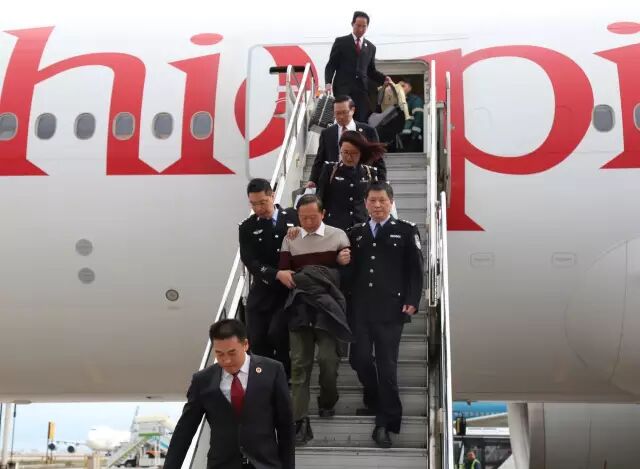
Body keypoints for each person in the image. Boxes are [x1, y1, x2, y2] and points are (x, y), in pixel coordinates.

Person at [346, 181, 424, 449]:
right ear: (365, 203)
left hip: (391, 310)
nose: (377, 205)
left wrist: (413, 300)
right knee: (358, 359)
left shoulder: (405, 230)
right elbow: (350, 273)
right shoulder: (355, 233)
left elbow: (416, 269)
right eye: (372, 200)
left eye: (382, 200)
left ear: (391, 202)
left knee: (387, 367)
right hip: (360, 309)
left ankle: (385, 424)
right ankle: (375, 396)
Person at [163, 319, 294, 469]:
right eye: (219, 354)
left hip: (265, 464)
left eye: (232, 353)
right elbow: (185, 430)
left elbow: (285, 426)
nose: (226, 360)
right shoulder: (203, 380)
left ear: (245, 345)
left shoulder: (272, 370)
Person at [277, 195, 352, 446]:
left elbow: (346, 274)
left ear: (323, 213)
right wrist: (287, 274)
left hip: (328, 309)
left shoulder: (338, 235)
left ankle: (327, 399)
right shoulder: (291, 238)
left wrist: (339, 264)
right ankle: (299, 420)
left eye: (312, 217)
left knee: (329, 360)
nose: (308, 222)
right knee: (300, 365)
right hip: (300, 307)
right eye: (303, 218)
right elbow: (285, 271)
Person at [238, 178, 299, 377]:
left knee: (277, 333)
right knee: (256, 338)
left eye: (263, 202)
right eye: (254, 204)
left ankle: (283, 377)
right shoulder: (247, 227)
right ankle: (264, 379)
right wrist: (276, 274)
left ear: (272, 196)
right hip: (263, 288)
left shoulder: (293, 216)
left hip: (288, 291)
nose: (259, 209)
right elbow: (250, 260)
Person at [325, 11, 391, 122]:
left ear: (367, 27)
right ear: (352, 24)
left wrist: (384, 78)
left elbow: (371, 71)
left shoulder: (371, 47)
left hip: (362, 91)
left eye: (364, 26)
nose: (360, 29)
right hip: (343, 89)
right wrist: (328, 83)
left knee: (362, 120)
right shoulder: (341, 42)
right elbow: (331, 65)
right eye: (358, 25)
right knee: (345, 118)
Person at [316, 130, 386, 231]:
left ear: (361, 153)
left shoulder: (369, 173)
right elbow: (319, 198)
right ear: (340, 150)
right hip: (334, 227)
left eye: (354, 153)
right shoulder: (330, 170)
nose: (349, 157)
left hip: (361, 226)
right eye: (345, 152)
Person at [307, 95, 379, 187]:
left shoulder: (368, 131)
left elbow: (378, 160)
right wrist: (312, 180)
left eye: (344, 112)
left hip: (362, 182)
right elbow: (320, 160)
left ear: (352, 110)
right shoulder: (327, 133)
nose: (341, 117)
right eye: (337, 113)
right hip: (334, 182)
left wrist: (381, 183)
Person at [398, 78, 424, 152]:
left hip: (410, 137)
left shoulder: (415, 100)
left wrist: (414, 136)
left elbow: (419, 117)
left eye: (403, 86)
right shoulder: (399, 101)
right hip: (400, 137)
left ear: (410, 88)